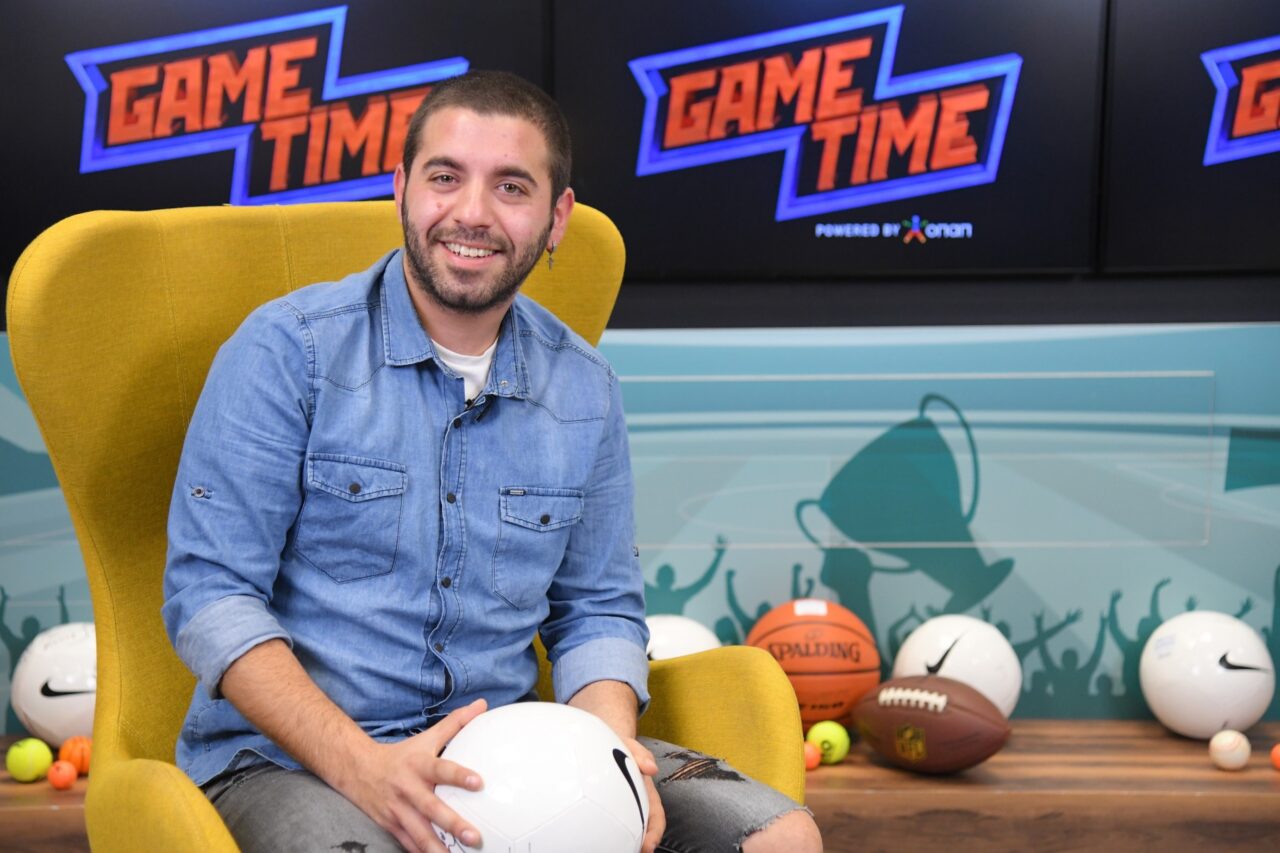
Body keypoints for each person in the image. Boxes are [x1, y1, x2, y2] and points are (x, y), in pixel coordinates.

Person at [162, 70, 821, 853]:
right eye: (445, 177)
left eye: (511, 186)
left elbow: (597, 609)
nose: (472, 213)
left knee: (781, 838)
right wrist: (364, 766)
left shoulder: (584, 387)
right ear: (402, 189)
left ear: (556, 218)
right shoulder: (287, 351)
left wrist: (608, 758)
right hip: (291, 762)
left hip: (510, 757)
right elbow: (211, 594)